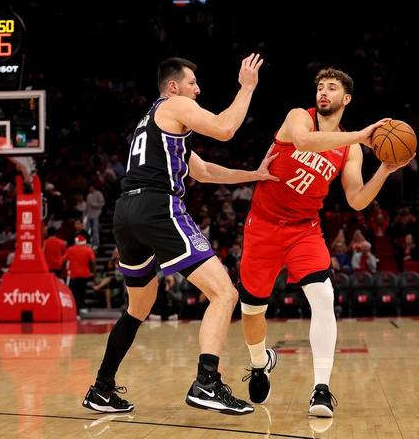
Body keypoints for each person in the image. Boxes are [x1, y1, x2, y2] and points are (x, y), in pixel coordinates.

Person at [82, 54, 278, 416]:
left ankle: (102, 388)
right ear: (173, 87)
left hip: (126, 212)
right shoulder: (174, 105)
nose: (198, 89)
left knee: (138, 307)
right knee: (224, 293)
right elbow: (225, 128)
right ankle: (207, 383)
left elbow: (203, 172)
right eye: (192, 83)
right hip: (158, 206)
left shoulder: (154, 123)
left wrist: (254, 175)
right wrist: (247, 87)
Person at [237, 67, 412, 417]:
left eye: (331, 87)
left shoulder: (351, 150)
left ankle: (321, 389)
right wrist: (361, 135)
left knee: (323, 297)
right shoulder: (299, 117)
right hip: (264, 226)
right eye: (320, 86)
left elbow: (357, 200)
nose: (323, 92)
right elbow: (304, 142)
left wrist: (385, 170)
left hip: (304, 230)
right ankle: (259, 363)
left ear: (346, 98)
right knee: (252, 310)